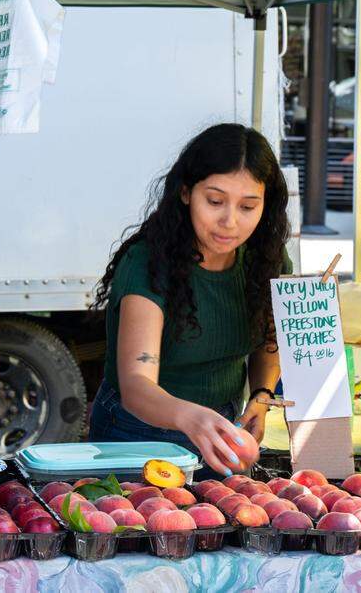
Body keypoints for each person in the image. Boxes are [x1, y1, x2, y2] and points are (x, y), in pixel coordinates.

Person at [88, 123, 290, 477]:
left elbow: (269, 339)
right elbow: (136, 385)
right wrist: (192, 418)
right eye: (214, 201)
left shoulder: (267, 258)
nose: (229, 221)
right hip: (136, 432)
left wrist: (261, 393)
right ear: (185, 192)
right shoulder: (148, 263)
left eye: (248, 206)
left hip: (224, 428)